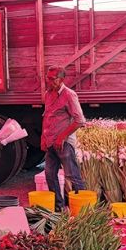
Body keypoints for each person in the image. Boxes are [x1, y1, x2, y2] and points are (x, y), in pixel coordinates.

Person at [41, 65, 86, 211]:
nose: (48, 81)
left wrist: (62, 136)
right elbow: (46, 116)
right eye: (47, 78)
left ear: (61, 79)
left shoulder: (69, 95)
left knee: (72, 175)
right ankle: (58, 209)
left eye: (52, 79)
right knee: (49, 175)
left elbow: (79, 120)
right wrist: (43, 137)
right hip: (50, 142)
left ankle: (82, 210)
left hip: (64, 143)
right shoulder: (48, 94)